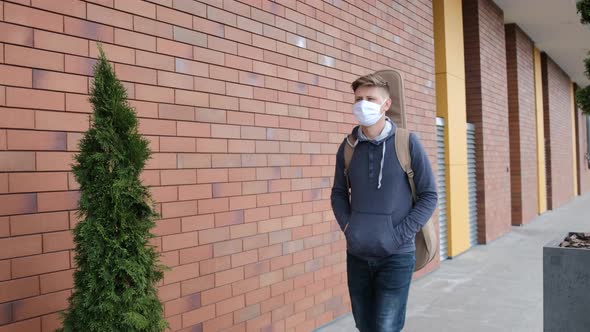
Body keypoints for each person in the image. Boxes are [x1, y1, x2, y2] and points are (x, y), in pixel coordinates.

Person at [330, 73, 438, 332]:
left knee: (387, 327)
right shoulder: (348, 147)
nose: (363, 104)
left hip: (396, 256)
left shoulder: (407, 142)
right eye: (358, 99)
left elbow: (429, 195)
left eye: (370, 98)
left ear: (386, 104)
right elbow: (338, 193)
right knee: (364, 326)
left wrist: (398, 235)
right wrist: (349, 229)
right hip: (357, 255)